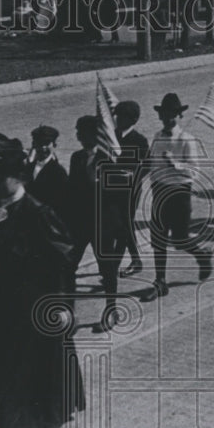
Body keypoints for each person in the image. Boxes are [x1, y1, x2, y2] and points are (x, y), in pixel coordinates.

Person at [0, 132, 82, 428]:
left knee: (28, 372)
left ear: (19, 177)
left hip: (31, 308)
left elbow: (62, 260)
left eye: (3, 178)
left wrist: (64, 304)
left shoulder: (37, 213)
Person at [146, 93, 213, 298]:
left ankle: (201, 255)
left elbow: (194, 171)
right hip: (159, 191)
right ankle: (160, 282)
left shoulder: (187, 140)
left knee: (179, 239)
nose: (168, 119)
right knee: (157, 238)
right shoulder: (157, 136)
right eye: (165, 115)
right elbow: (152, 163)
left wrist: (175, 164)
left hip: (179, 194)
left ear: (179, 116)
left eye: (173, 115)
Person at [67, 116, 127, 332]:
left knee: (107, 268)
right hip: (81, 223)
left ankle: (112, 311)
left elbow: (119, 194)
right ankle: (69, 313)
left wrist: (100, 184)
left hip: (103, 224)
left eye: (82, 132)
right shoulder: (76, 158)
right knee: (68, 266)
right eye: (78, 132)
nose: (78, 137)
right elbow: (72, 190)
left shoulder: (107, 159)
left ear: (94, 135)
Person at [113, 100, 149, 277]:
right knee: (117, 225)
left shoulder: (139, 140)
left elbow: (147, 165)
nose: (117, 119)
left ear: (132, 120)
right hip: (111, 187)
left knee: (125, 225)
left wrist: (133, 177)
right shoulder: (111, 136)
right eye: (117, 115)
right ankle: (116, 265)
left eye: (122, 117)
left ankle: (133, 261)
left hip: (131, 190)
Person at [27, 124, 69, 222]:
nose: (43, 148)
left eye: (47, 143)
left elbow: (62, 205)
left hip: (48, 222)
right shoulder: (27, 168)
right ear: (34, 144)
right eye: (39, 143)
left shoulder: (59, 172)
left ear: (54, 144)